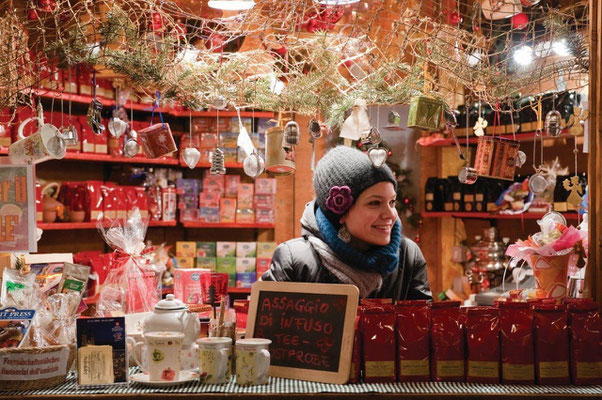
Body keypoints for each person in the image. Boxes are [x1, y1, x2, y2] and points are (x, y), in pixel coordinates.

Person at [261, 145, 431, 300]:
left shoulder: (408, 255)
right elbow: (269, 329)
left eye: (392, 202)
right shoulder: (294, 260)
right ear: (340, 213)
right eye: (375, 203)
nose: (390, 214)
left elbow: (425, 328)